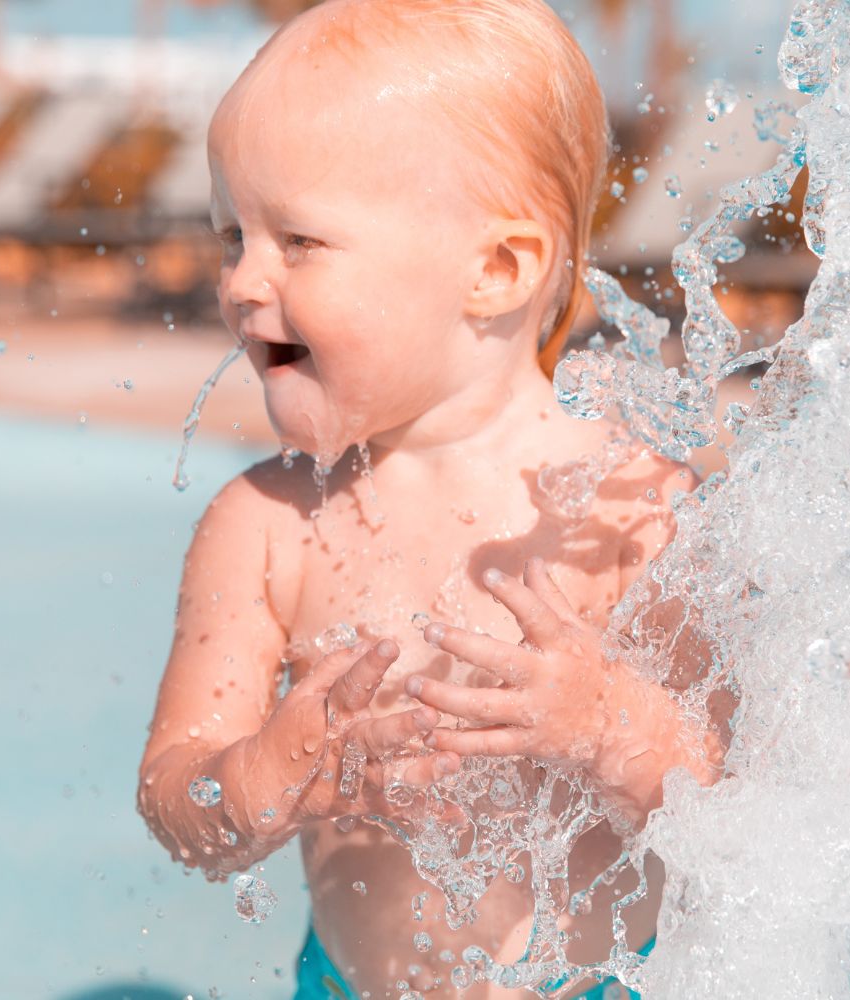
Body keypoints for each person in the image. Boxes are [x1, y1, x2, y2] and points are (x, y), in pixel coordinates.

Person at [135, 2, 721, 996]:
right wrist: (266, 776)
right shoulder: (269, 529)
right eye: (235, 235)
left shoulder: (636, 514)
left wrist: (610, 725)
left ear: (496, 269)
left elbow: (749, 817)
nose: (242, 281)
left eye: (299, 240)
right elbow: (177, 805)